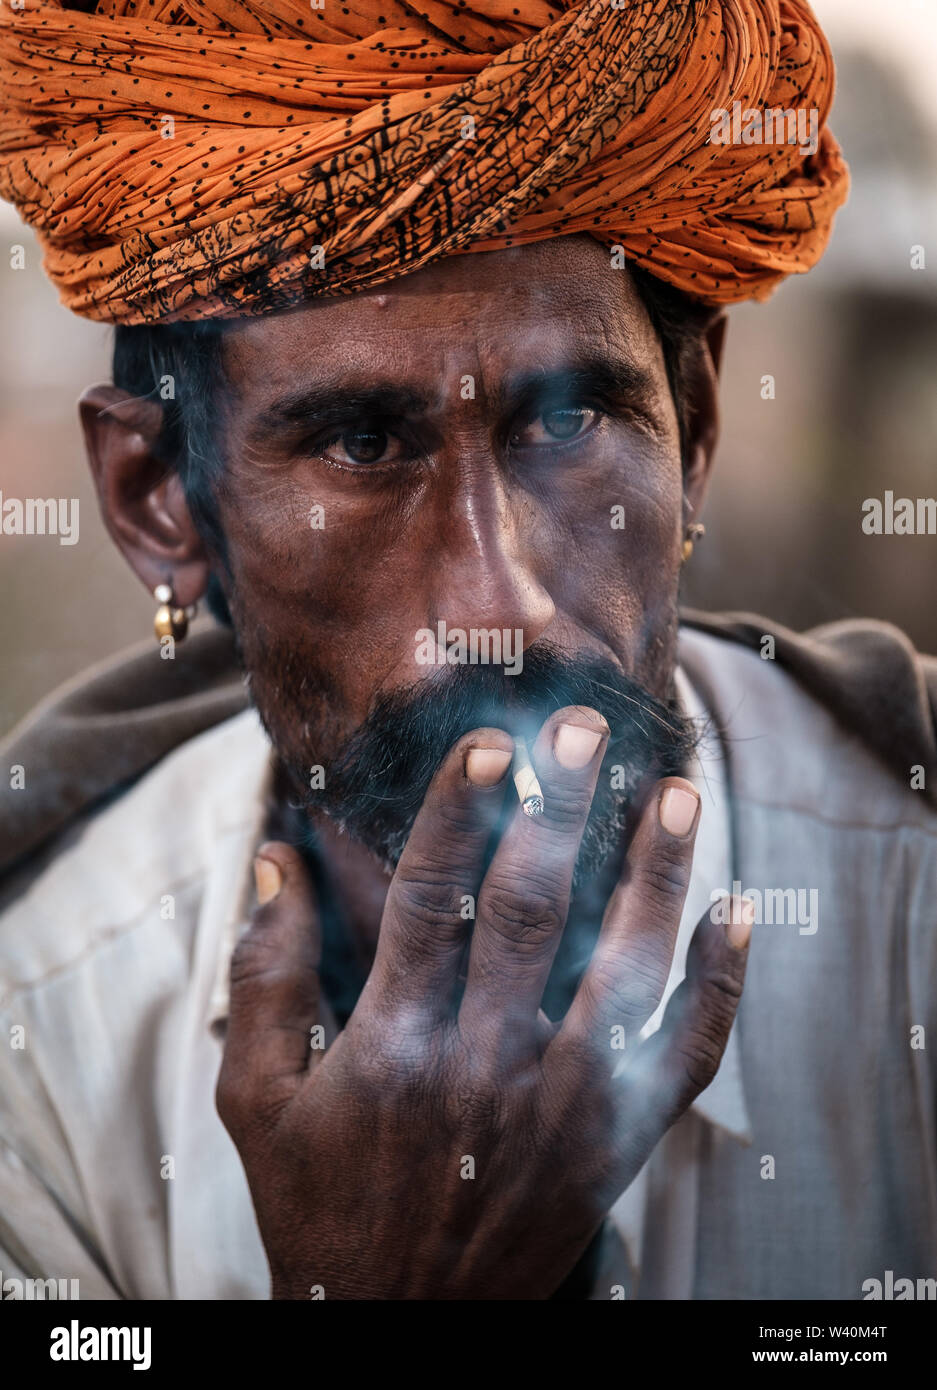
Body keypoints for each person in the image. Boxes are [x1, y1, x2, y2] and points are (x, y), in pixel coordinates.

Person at [0, 0, 933, 1301]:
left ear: (696, 429)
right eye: (363, 447)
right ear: (159, 497)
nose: (501, 600)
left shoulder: (912, 922)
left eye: (568, 424)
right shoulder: (36, 1046)